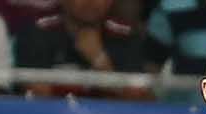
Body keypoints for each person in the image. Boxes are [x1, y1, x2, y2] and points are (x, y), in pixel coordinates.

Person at [14, 0, 151, 99]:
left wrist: (99, 59)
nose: (91, 2)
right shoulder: (37, 33)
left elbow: (139, 102)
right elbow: (37, 97)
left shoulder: (126, 36)